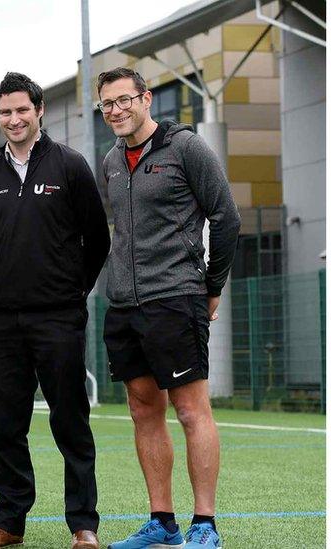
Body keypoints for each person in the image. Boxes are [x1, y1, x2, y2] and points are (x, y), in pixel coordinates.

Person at [97, 67, 240, 549]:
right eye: (107, 104)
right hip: (124, 305)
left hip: (176, 297)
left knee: (191, 410)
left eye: (123, 100)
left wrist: (212, 284)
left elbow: (226, 217)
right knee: (142, 409)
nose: (116, 111)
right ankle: (163, 521)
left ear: (146, 99)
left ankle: (206, 524)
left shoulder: (187, 148)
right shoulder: (111, 161)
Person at [0, 72, 109, 549]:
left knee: (70, 420)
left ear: (39, 110)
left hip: (59, 317)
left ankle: (83, 524)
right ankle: (9, 522)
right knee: (4, 424)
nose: (13, 119)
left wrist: (72, 292)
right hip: (3, 319)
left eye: (21, 110)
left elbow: (98, 238)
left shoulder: (70, 166)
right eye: (5, 112)